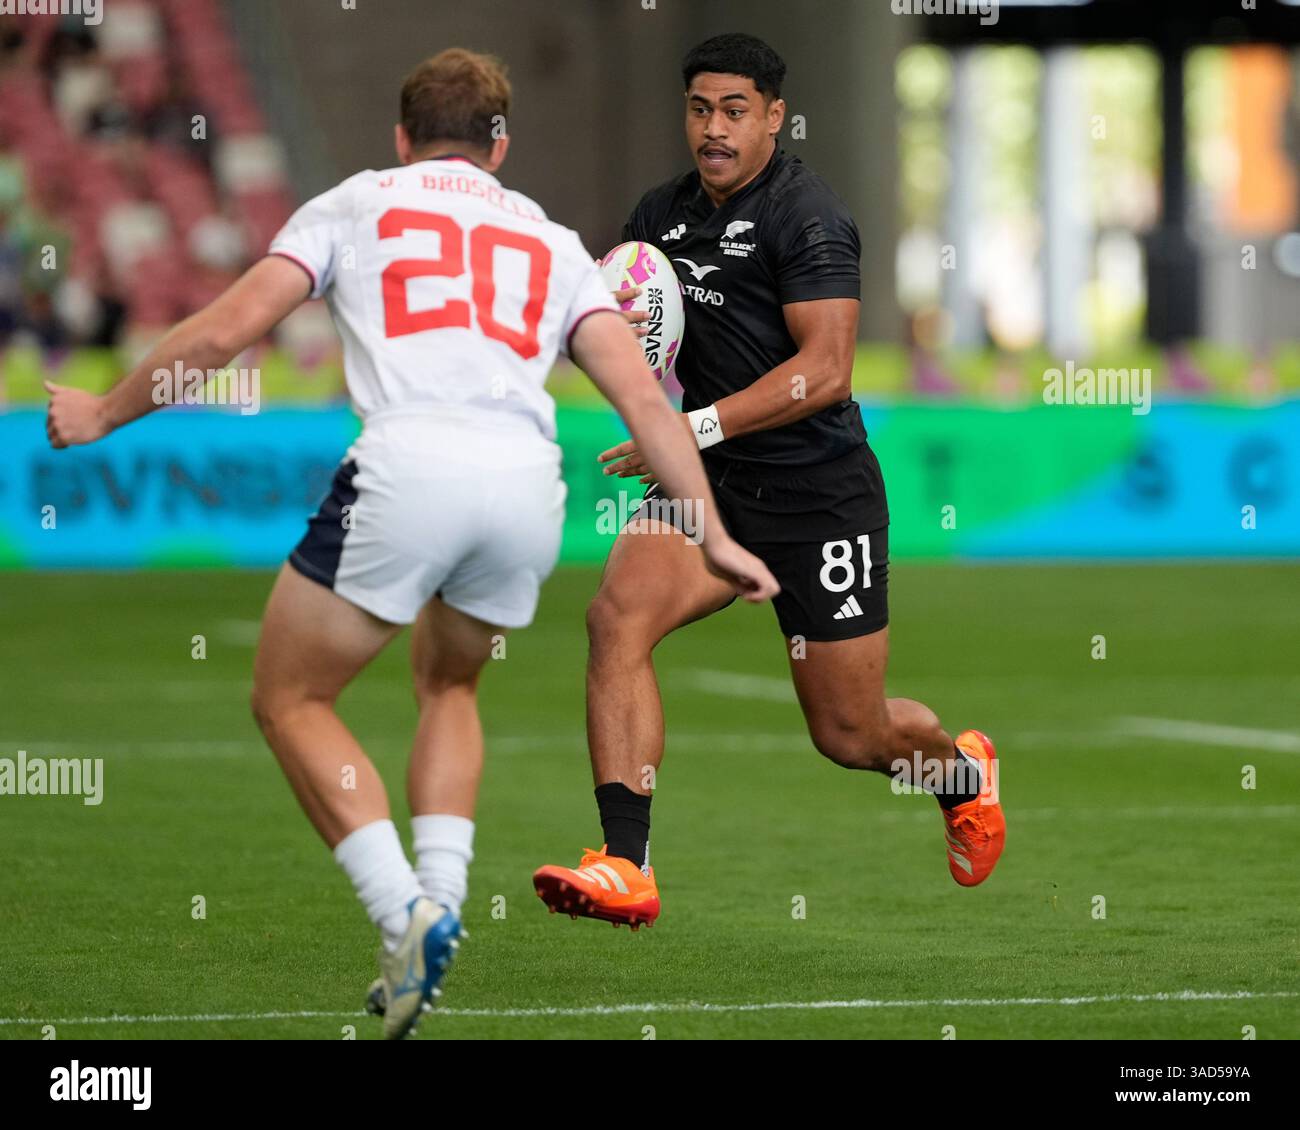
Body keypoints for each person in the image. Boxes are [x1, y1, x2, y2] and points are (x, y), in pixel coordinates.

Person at [45, 47, 778, 1039]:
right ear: (501, 145)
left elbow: (224, 334)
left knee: (290, 694)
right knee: (451, 683)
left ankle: (404, 911)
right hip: (525, 489)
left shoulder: (357, 202)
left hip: (409, 466)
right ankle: (441, 894)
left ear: (400, 136)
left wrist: (102, 411)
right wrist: (712, 529)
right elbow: (643, 398)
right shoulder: (551, 240)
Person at [532, 33, 1004, 930]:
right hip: (709, 485)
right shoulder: (658, 217)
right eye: (700, 109)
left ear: (775, 119)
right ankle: (626, 862)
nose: (714, 129)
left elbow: (825, 372)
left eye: (735, 111)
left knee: (851, 735)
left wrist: (690, 424)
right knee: (615, 619)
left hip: (818, 497)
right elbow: (636, 338)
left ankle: (961, 773)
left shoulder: (808, 215)